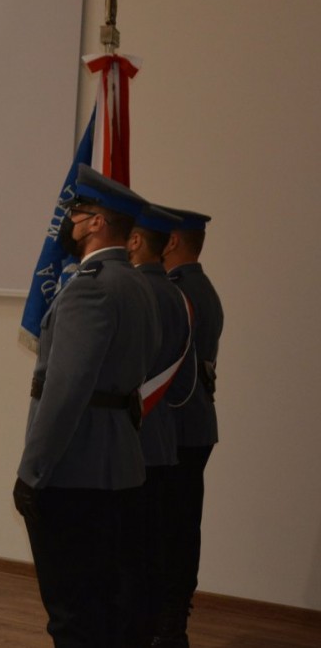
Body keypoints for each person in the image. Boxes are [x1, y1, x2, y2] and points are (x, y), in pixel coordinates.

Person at [13, 164, 160, 648]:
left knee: (72, 612)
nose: (69, 221)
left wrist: (33, 472)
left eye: (77, 213)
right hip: (121, 464)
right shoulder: (139, 284)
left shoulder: (91, 286)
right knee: (108, 605)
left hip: (75, 471)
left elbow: (64, 391)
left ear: (96, 222)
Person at [151, 208, 224, 648]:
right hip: (196, 425)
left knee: (168, 533)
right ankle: (172, 622)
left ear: (173, 241)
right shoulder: (201, 287)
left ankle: (167, 626)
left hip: (176, 427)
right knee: (181, 529)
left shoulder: (178, 292)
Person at [125, 204, 193, 646]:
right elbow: (183, 384)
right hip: (164, 438)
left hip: (130, 441)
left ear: (135, 241)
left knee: (128, 556)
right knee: (154, 551)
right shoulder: (177, 295)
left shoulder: (132, 293)